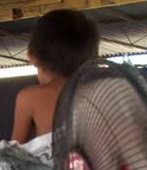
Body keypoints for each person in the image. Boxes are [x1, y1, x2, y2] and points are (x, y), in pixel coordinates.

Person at [11, 9, 100, 144]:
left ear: (31, 56)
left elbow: (13, 156)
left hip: (56, 165)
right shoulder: (105, 93)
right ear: (94, 58)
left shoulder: (29, 98)